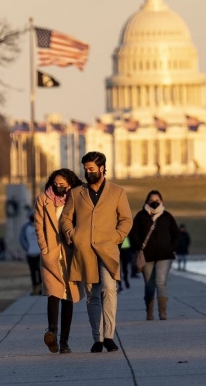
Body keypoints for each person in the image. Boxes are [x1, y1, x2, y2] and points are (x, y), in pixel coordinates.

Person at [59, 151, 133, 353]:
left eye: (91, 169)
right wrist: (72, 234)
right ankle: (97, 338)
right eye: (85, 169)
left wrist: (116, 238)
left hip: (108, 250)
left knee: (109, 289)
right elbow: (65, 218)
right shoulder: (76, 193)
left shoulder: (117, 192)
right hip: (84, 250)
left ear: (102, 168)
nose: (88, 172)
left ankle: (109, 336)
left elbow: (126, 220)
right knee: (92, 295)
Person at [34, 169, 84, 354]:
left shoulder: (77, 198)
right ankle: (52, 333)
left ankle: (64, 342)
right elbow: (38, 225)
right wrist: (44, 248)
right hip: (51, 252)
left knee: (69, 296)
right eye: (55, 184)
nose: (58, 187)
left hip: (71, 252)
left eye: (62, 184)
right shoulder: (43, 199)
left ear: (70, 183)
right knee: (53, 293)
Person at [129, 190, 179, 321]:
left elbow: (176, 234)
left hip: (165, 255)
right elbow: (133, 234)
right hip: (147, 256)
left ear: (161, 201)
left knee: (160, 281)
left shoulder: (167, 216)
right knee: (149, 284)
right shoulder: (141, 216)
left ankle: (163, 312)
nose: (154, 203)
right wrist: (139, 247)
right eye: (152, 201)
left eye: (157, 201)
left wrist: (171, 247)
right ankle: (149, 311)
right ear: (147, 201)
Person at [19, 215, 42, 295]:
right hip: (31, 253)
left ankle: (40, 288)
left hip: (39, 253)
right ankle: (35, 288)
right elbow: (22, 238)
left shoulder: (40, 225)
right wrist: (27, 248)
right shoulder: (26, 227)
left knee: (39, 271)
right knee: (33, 271)